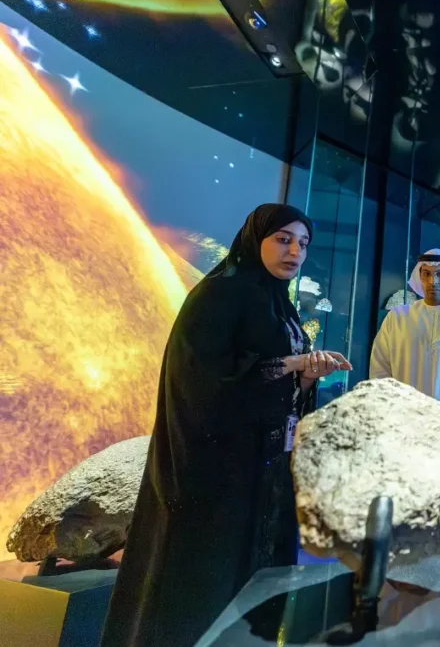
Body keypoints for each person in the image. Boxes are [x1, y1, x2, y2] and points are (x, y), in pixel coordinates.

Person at [101, 204, 352, 647]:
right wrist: (288, 364)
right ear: (256, 239)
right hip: (213, 480)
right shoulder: (220, 294)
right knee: (200, 595)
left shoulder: (278, 304)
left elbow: (279, 386)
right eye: (283, 239)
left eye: (303, 243)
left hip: (262, 474)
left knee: (252, 590)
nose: (295, 251)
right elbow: (200, 378)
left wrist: (306, 376)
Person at [369, 249, 440, 559]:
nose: (433, 280)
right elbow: (380, 371)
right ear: (417, 277)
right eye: (426, 273)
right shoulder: (398, 319)